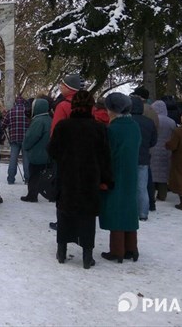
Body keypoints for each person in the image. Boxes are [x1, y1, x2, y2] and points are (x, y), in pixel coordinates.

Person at [48, 90, 112, 269]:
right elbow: (104, 157)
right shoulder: (98, 128)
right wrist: (106, 179)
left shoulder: (63, 127)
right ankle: (87, 256)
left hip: (67, 176)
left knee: (64, 212)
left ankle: (61, 250)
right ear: (91, 106)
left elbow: (52, 151)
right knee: (87, 216)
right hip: (90, 178)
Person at [99, 92, 141, 263]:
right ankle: (132, 248)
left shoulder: (113, 129)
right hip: (131, 173)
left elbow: (107, 154)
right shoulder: (134, 126)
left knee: (115, 210)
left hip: (115, 173)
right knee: (129, 209)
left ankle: (117, 251)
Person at [130, 95, 157, 221]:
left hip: (129, 157)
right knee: (142, 187)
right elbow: (153, 141)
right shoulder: (149, 122)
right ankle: (143, 213)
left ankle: (130, 210)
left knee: (128, 185)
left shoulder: (128, 121)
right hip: (144, 157)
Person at [20, 98, 52, 202]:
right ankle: (50, 194)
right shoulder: (50, 119)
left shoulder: (38, 121)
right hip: (47, 153)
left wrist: (26, 146)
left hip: (37, 153)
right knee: (45, 175)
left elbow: (31, 137)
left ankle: (32, 195)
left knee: (34, 175)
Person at [149, 100, 176, 201]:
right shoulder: (171, 121)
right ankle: (162, 194)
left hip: (153, 148)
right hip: (166, 149)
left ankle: (151, 193)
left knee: (152, 172)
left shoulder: (153, 119)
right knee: (163, 173)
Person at [2, 95, 30, 184]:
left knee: (13, 159)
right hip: (26, 139)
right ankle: (28, 178)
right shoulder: (28, 112)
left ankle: (10, 178)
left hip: (14, 139)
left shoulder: (10, 112)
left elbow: (2, 126)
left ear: (16, 103)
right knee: (26, 159)